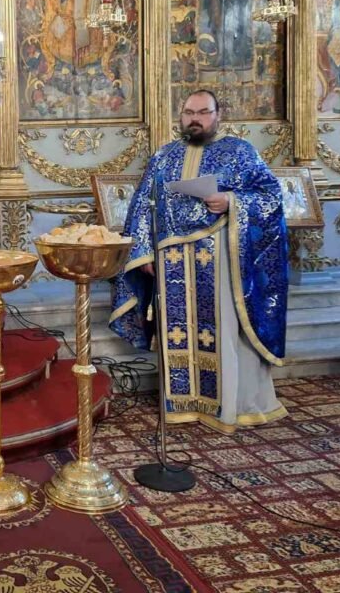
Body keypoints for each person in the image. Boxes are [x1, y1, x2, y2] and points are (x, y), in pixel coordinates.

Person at [110, 90, 288, 432]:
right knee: (178, 332)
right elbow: (143, 206)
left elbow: (270, 196)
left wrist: (231, 201)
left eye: (204, 112)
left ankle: (226, 405)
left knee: (220, 331)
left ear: (218, 115)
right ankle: (184, 402)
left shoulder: (240, 152)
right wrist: (144, 252)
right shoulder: (164, 156)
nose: (196, 119)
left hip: (219, 256)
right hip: (172, 259)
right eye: (189, 112)